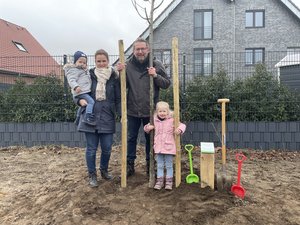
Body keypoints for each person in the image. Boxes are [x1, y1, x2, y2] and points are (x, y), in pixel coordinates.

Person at [117, 37, 171, 177]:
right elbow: (121, 87)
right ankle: (130, 165)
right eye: (137, 49)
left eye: (143, 48)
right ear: (134, 51)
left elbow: (166, 84)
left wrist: (155, 75)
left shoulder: (156, 64)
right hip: (132, 109)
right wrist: (119, 74)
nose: (140, 51)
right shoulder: (127, 66)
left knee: (150, 139)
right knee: (131, 138)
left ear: (148, 49)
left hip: (150, 110)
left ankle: (150, 165)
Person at [76, 49, 121, 187]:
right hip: (91, 116)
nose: (101, 63)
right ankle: (92, 175)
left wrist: (120, 114)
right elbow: (78, 92)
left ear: (108, 61)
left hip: (107, 116)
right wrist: (79, 101)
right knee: (91, 149)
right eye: (98, 61)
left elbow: (118, 98)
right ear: (95, 62)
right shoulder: (88, 75)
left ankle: (104, 170)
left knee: (107, 148)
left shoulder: (114, 77)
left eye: (104, 61)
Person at [144, 101, 186, 190]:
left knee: (169, 165)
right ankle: (159, 181)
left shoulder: (172, 120)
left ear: (168, 111)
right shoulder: (154, 120)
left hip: (169, 146)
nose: (162, 113)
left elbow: (182, 125)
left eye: (164, 111)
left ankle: (169, 182)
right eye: (160, 111)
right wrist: (148, 128)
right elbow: (146, 128)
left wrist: (179, 129)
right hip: (158, 147)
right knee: (159, 165)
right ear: (157, 112)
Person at [64, 51, 96, 125]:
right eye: (80, 62)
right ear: (75, 62)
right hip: (80, 92)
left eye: (84, 63)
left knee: (83, 105)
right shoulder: (74, 70)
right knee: (91, 102)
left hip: (84, 91)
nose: (82, 64)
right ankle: (88, 117)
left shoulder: (84, 70)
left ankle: (78, 118)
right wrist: (76, 87)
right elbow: (71, 80)